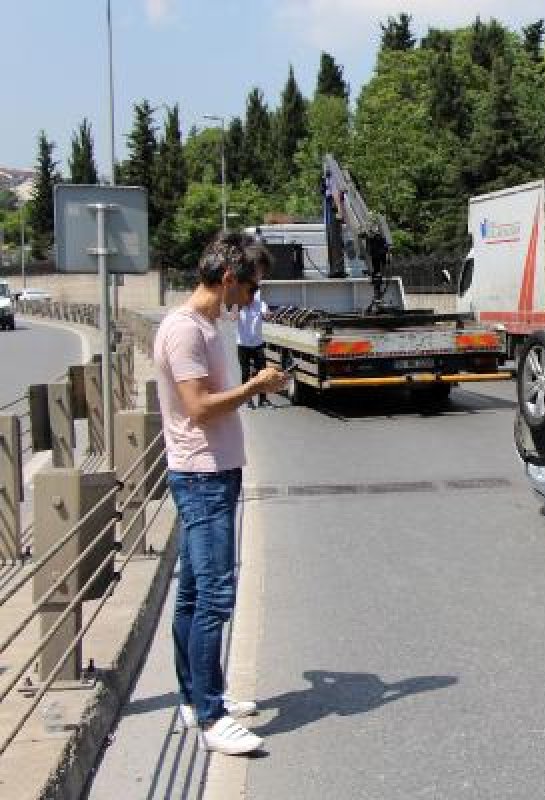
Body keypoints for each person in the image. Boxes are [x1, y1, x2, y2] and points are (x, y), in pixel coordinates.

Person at [153, 233, 288, 756]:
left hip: (212, 472)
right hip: (202, 475)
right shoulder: (185, 330)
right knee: (213, 596)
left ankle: (195, 698)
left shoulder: (211, 324)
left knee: (192, 594)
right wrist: (254, 389)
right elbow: (199, 407)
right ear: (229, 279)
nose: (252, 300)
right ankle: (211, 717)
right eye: (250, 288)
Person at [236, 289, 271, 409]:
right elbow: (231, 318)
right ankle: (247, 399)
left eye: (252, 296)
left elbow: (267, 315)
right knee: (245, 373)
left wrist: (267, 314)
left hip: (257, 344)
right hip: (243, 344)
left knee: (262, 372)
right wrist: (237, 309)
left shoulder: (260, 304)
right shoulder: (238, 305)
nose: (249, 299)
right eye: (247, 296)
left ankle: (263, 399)